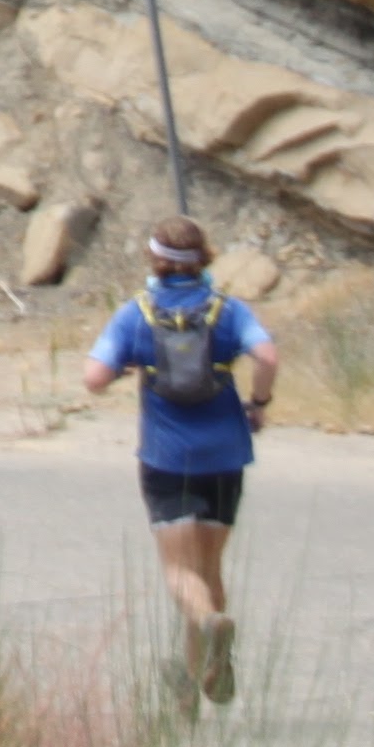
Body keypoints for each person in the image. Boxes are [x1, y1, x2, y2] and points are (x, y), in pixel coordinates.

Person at [82, 214, 278, 705]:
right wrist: (259, 403)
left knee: (180, 573)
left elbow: (93, 378)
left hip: (167, 458)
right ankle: (194, 682)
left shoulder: (136, 314)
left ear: (155, 260)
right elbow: (268, 357)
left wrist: (129, 367)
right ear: (202, 258)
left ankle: (211, 624)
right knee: (208, 570)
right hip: (225, 455)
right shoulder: (228, 311)